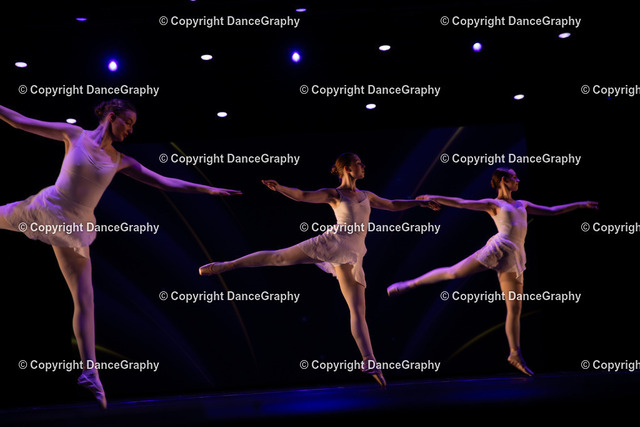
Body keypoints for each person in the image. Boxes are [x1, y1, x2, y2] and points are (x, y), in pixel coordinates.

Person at [0, 100, 241, 409]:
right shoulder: (74, 135)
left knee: (85, 298)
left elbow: (163, 182)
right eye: (128, 122)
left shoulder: (120, 160)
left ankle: (91, 372)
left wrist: (207, 190)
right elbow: (19, 121)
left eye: (132, 125)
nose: (130, 129)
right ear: (111, 117)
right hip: (47, 208)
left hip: (74, 227)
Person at [199, 153, 440, 388]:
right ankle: (227, 265)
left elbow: (393, 204)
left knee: (357, 309)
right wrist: (280, 188)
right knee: (279, 257)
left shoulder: (367, 196)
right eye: (358, 163)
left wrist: (419, 202)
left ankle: (369, 360)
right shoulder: (335, 194)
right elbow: (303, 195)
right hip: (332, 244)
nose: (363, 166)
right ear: (347, 168)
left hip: (353, 256)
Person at [387, 167, 597, 376]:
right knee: (453, 273)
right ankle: (409, 284)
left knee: (514, 309)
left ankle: (515, 354)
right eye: (514, 177)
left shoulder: (522, 204)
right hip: (499, 248)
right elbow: (461, 203)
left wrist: (580, 204)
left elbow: (552, 211)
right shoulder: (493, 204)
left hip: (514, 258)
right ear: (504, 180)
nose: (518, 180)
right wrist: (433, 197)